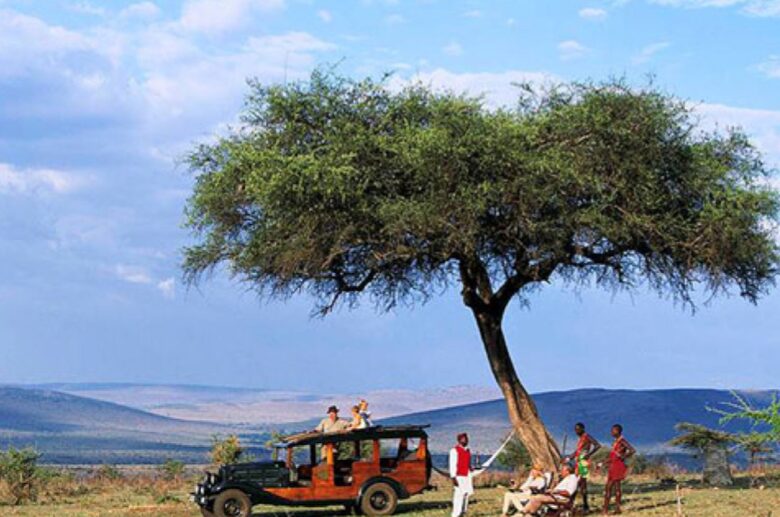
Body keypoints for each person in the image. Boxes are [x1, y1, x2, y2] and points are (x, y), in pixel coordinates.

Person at [564, 422, 601, 513]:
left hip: (583, 462)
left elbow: (597, 445)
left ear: (583, 429)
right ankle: (574, 504)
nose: (576, 431)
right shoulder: (580, 439)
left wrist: (588, 455)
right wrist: (569, 457)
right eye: (575, 429)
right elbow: (577, 451)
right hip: (578, 461)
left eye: (578, 429)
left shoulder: (587, 436)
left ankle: (585, 506)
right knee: (577, 483)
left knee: (582, 483)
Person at [602, 424, 635, 515]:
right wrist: (605, 462)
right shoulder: (616, 441)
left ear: (619, 431)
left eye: (614, 430)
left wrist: (623, 456)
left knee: (608, 488)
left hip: (617, 466)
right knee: (617, 487)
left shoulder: (622, 441)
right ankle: (617, 509)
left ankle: (605, 510)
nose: (612, 432)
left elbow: (632, 450)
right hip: (614, 465)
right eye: (611, 430)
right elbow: (613, 455)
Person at [449, 432, 474, 517]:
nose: (466, 440)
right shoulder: (454, 450)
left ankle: (463, 512)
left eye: (466, 439)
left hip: (467, 475)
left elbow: (468, 463)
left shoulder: (467, 450)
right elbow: (452, 464)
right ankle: (455, 514)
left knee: (466, 495)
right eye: (463, 439)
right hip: (459, 476)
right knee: (458, 495)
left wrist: (471, 468)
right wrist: (453, 478)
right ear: (459, 440)